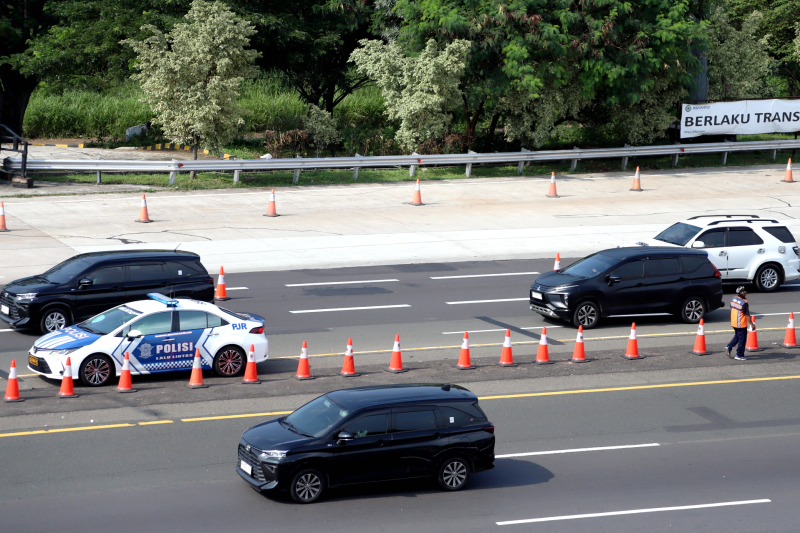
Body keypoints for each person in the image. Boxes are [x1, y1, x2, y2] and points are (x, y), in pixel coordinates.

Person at [726, 286, 754, 360]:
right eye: (745, 292)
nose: (746, 293)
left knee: (737, 336)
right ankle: (739, 354)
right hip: (741, 324)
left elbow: (731, 307)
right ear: (743, 293)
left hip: (734, 322)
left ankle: (729, 347)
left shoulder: (733, 299)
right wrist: (752, 324)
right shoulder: (744, 303)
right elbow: (747, 315)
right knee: (742, 339)